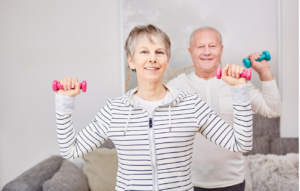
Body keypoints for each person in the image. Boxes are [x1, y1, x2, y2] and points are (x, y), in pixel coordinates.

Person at [55, 24, 253, 191]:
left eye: (159, 52)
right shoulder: (114, 110)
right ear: (131, 60)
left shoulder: (191, 105)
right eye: (144, 52)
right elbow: (71, 150)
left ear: (166, 61)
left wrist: (239, 90)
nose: (152, 58)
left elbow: (241, 144)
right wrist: (64, 103)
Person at [167, 26, 282, 191]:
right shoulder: (176, 87)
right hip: (187, 183)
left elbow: (274, 110)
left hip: (231, 183)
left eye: (212, 46)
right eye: (200, 47)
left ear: (221, 49)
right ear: (190, 51)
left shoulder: (237, 83)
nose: (207, 52)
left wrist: (264, 71)